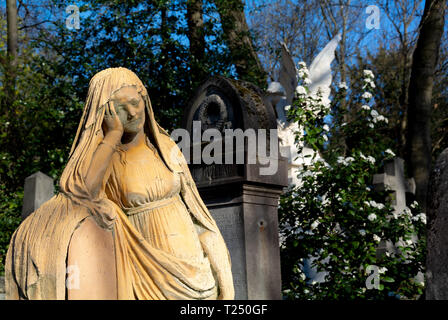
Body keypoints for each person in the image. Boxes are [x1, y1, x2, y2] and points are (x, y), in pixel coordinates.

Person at [5, 67, 234, 300]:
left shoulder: (165, 146)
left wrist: (214, 253)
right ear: (104, 112)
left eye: (135, 102)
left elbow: (196, 209)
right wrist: (113, 135)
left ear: (144, 98)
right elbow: (82, 196)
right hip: (145, 268)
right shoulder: (106, 158)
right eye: (119, 108)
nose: (133, 113)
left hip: (195, 266)